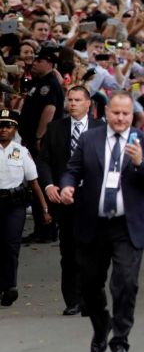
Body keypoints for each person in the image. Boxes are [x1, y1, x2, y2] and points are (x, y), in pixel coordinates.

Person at [59, 91, 144, 352]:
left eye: (126, 114)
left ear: (133, 116)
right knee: (89, 285)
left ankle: (120, 341)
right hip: (93, 224)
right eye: (116, 113)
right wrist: (67, 185)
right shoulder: (89, 139)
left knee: (125, 284)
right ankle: (101, 326)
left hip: (128, 226)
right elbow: (72, 169)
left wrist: (140, 162)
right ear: (106, 112)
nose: (120, 118)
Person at [37, 85, 105, 315]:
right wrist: (48, 185)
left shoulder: (102, 129)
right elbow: (43, 160)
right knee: (69, 250)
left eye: (78, 100)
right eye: (70, 100)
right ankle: (73, 300)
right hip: (65, 199)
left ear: (88, 104)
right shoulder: (55, 129)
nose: (73, 104)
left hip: (92, 198)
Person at [0, 109, 50, 307]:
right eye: (1, 126)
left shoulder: (21, 152)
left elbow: (34, 182)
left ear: (15, 129)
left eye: (8, 126)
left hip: (14, 205)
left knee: (11, 245)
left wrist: (45, 209)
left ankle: (10, 286)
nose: (3, 130)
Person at [19, 45, 65, 242]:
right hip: (33, 139)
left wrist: (39, 136)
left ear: (48, 63)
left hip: (43, 141)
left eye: (38, 61)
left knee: (41, 182)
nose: (34, 63)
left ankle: (46, 229)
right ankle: (43, 227)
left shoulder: (49, 84)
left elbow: (50, 110)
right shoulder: (39, 81)